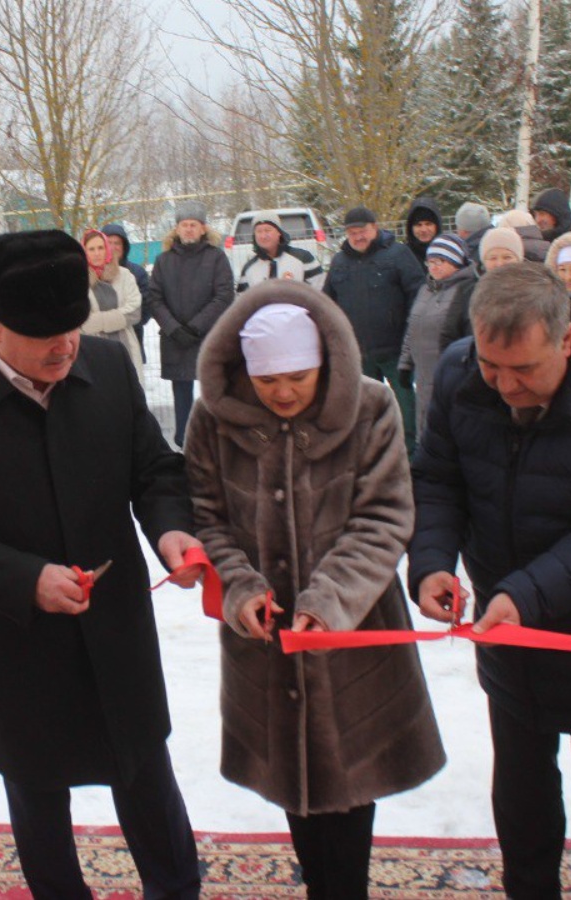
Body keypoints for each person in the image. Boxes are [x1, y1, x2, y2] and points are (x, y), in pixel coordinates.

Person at [0, 230, 206, 899]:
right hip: (16, 643)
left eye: (73, 329)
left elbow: (153, 469)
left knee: (148, 779)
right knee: (38, 800)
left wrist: (172, 531)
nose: (66, 348)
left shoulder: (108, 367)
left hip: (116, 629)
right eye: (46, 338)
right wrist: (23, 578)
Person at [409, 263, 571, 899]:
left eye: (523, 370)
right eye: (490, 365)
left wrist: (524, 594)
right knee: (523, 794)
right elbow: (438, 478)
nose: (504, 386)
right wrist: (432, 562)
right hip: (510, 634)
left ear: (564, 340)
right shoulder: (457, 373)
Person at [187, 285, 446, 897]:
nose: (282, 393)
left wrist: (328, 602)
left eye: (298, 377)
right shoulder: (213, 418)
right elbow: (207, 516)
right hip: (264, 637)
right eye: (266, 380)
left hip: (356, 632)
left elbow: (384, 517)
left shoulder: (372, 409)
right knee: (294, 786)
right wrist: (241, 588)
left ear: (325, 363)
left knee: (352, 781)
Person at [322, 205, 426, 445]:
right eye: (351, 232)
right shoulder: (339, 262)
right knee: (366, 410)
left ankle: (410, 454)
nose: (358, 237)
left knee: (405, 408)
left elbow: (417, 294)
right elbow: (328, 302)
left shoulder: (397, 254)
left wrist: (411, 334)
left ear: (375, 228)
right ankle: (374, 453)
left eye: (362, 231)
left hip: (396, 349)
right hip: (359, 353)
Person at [149, 202, 233, 447]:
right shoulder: (164, 261)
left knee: (213, 389)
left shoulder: (216, 257)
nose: (188, 229)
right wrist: (173, 328)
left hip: (207, 337)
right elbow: (154, 298)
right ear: (176, 229)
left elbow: (223, 296)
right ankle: (184, 440)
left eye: (193, 225)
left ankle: (215, 438)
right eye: (184, 225)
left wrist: (196, 327)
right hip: (175, 338)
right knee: (181, 393)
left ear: (203, 228)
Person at [400, 233, 479, 440]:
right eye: (430, 261)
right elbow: (413, 328)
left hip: (452, 377)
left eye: (440, 261)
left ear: (455, 262)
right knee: (426, 430)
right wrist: (405, 364)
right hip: (424, 378)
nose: (433, 267)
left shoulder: (467, 291)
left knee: (448, 430)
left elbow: (471, 338)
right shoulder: (425, 290)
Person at [81, 229, 143, 370]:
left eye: (100, 248)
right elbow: (80, 322)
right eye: (91, 249)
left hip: (125, 347)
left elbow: (134, 312)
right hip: (93, 350)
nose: (97, 253)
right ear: (85, 252)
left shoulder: (125, 275)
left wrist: (97, 320)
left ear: (107, 249)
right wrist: (118, 317)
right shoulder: (78, 280)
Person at [235, 212, 309, 293]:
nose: (263, 236)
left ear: (279, 233)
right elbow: (243, 301)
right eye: (259, 231)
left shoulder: (303, 259)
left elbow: (320, 294)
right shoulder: (249, 269)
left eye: (268, 230)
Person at [403, 196, 444, 265]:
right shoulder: (402, 255)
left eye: (428, 224)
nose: (423, 230)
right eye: (418, 225)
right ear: (410, 228)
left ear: (437, 226)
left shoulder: (448, 252)